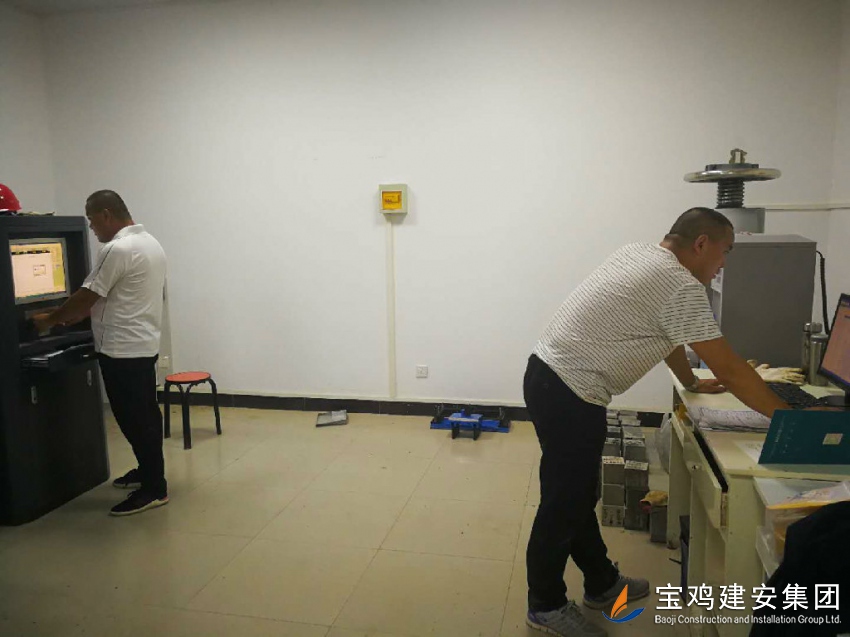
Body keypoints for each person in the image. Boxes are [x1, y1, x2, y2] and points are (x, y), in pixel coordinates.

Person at [523, 207, 790, 637]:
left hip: (549, 378)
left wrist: (691, 382)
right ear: (701, 244)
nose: (723, 264)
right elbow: (731, 369)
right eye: (725, 251)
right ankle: (545, 605)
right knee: (563, 502)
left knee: (576, 494)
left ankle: (601, 582)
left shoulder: (640, 254)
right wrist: (789, 420)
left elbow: (667, 336)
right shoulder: (679, 285)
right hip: (570, 391)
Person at [33, 190, 169, 516]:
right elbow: (117, 297)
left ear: (106, 214)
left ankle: (154, 488)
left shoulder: (117, 248)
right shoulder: (150, 243)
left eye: (92, 220)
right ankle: (148, 472)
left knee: (135, 420)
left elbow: (88, 294)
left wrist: (50, 320)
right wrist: (78, 314)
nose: (92, 228)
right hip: (142, 345)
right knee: (145, 416)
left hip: (122, 351)